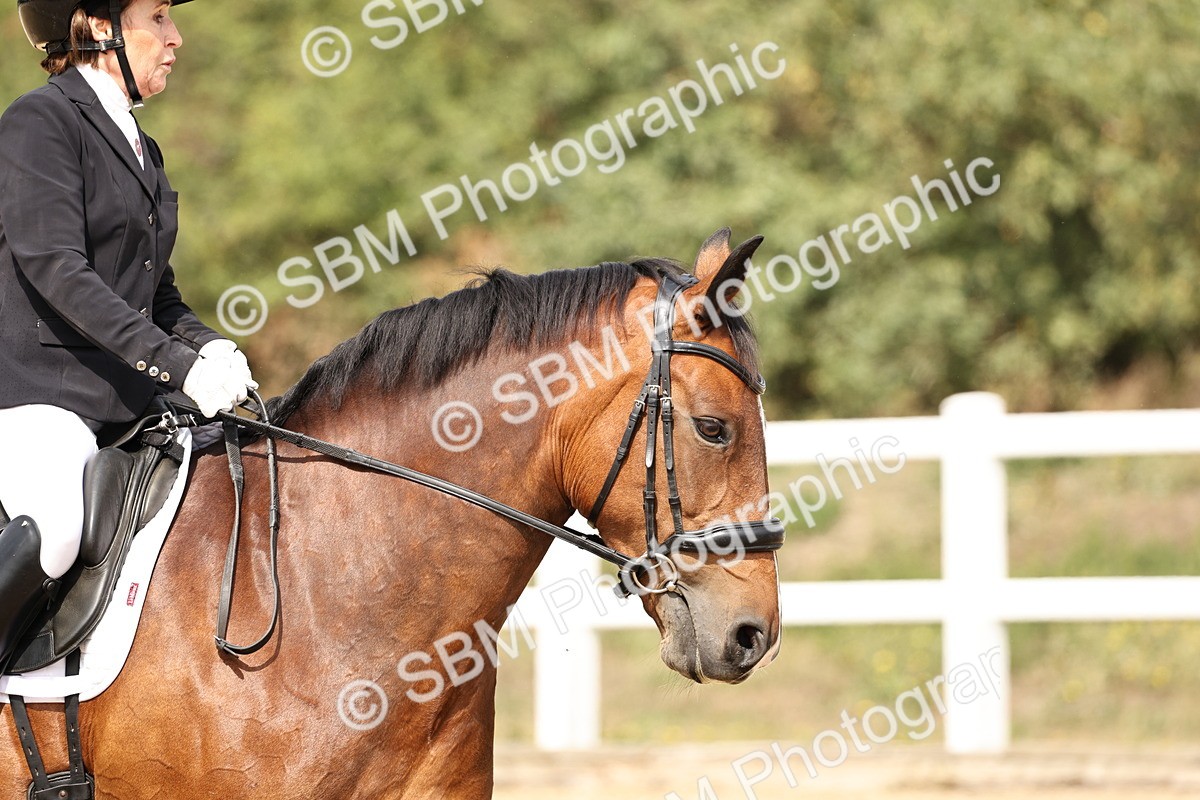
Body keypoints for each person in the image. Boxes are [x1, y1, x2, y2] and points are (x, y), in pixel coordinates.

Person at [0, 0, 253, 671]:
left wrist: (206, 347)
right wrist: (177, 365)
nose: (176, 37)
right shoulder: (39, 122)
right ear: (95, 25)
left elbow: (155, 292)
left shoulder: (140, 145)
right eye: (160, 17)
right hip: (40, 397)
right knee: (53, 528)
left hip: (129, 401)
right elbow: (58, 269)